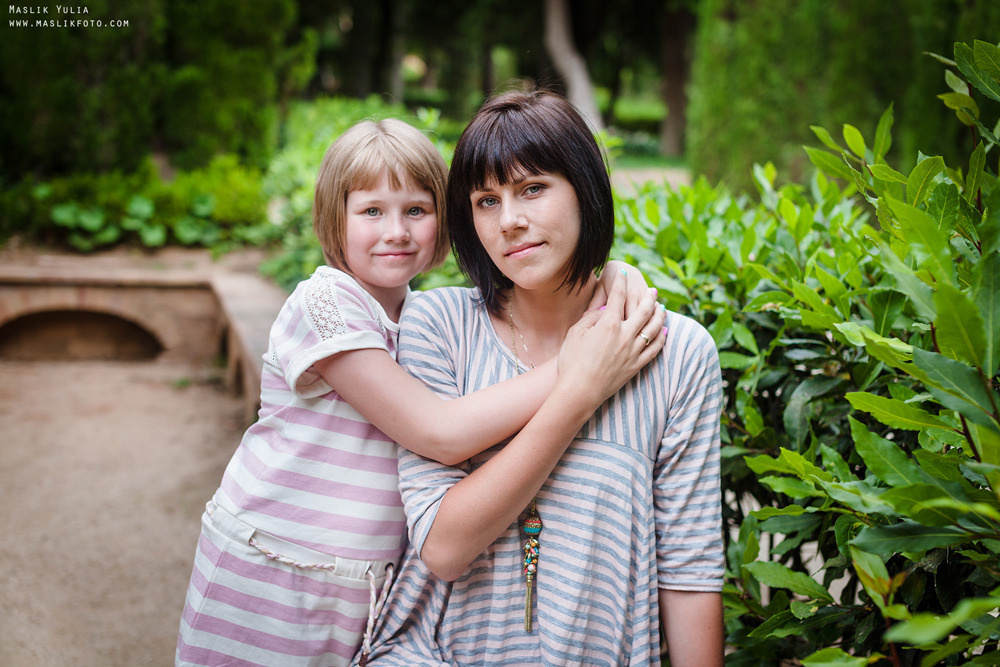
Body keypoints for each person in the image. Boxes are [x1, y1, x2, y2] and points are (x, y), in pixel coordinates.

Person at [175, 117, 666, 667]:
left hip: (363, 590)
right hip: (272, 570)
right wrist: (580, 369)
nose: (397, 232)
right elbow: (440, 432)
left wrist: (613, 278)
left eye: (416, 210)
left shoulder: (419, 316)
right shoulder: (325, 307)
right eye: (370, 212)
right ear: (333, 219)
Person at [361, 90, 725, 666]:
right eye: (486, 200)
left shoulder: (674, 353)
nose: (510, 221)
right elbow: (444, 548)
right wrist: (576, 392)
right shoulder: (439, 326)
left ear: (585, 190)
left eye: (533, 189)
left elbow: (689, 569)